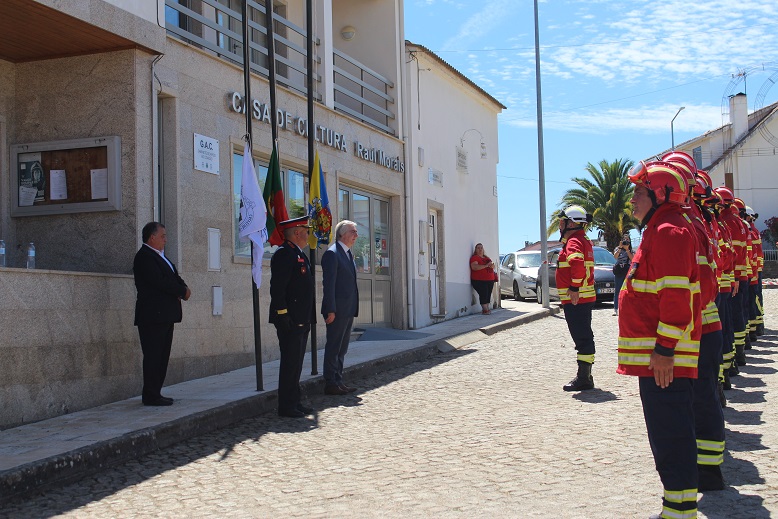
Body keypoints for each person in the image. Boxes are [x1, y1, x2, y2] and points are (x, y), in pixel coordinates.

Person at [617, 161, 700, 518]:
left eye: (638, 192)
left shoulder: (668, 232)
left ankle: (680, 512)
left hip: (665, 361)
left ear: (661, 193)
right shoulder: (659, 229)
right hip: (658, 360)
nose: (632, 199)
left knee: (672, 437)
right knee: (667, 436)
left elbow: (676, 297)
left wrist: (665, 350)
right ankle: (676, 507)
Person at [133, 222, 191, 406]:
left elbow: (173, 276)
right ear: (152, 237)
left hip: (166, 315)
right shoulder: (144, 257)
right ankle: (150, 394)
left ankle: (156, 392)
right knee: (153, 355)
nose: (166, 239)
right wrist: (181, 291)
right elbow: (159, 282)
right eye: (163, 235)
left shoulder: (161, 256)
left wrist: (184, 287)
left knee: (162, 356)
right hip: (153, 316)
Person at [269, 216, 316, 418]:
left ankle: (295, 401)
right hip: (290, 319)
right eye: (306, 231)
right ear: (297, 232)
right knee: (290, 363)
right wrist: (283, 314)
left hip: (302, 318)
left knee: (296, 363)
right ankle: (286, 405)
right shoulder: (284, 254)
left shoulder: (298, 254)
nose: (308, 234)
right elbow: (277, 289)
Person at [555, 205, 596, 392]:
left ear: (571, 223)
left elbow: (577, 263)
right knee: (584, 336)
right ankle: (585, 376)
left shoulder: (574, 242)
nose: (559, 226)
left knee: (582, 338)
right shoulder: (583, 239)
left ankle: (584, 378)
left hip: (576, 299)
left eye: (562, 222)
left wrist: (574, 287)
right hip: (582, 298)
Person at [321, 220, 360, 396]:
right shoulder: (332, 253)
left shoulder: (348, 254)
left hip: (348, 308)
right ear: (342, 234)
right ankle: (330, 382)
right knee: (334, 347)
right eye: (353, 232)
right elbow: (329, 284)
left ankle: (338, 380)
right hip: (337, 310)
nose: (356, 235)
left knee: (342, 348)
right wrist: (330, 309)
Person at [469, 243, 496, 315]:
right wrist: (486, 265)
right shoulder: (475, 258)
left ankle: (486, 308)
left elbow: (492, 266)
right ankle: (485, 310)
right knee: (483, 293)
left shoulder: (487, 258)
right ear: (476, 249)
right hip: (479, 280)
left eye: (481, 248)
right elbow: (474, 267)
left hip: (490, 280)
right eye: (478, 248)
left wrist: (492, 265)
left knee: (488, 294)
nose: (480, 249)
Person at [612, 233, 633, 316]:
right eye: (624, 239)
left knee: (628, 290)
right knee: (617, 290)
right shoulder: (618, 248)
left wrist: (627, 250)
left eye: (627, 240)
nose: (626, 241)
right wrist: (620, 248)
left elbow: (632, 259)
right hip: (619, 271)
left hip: (627, 271)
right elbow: (615, 257)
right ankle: (616, 308)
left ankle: (627, 308)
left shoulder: (631, 250)